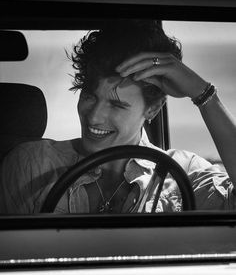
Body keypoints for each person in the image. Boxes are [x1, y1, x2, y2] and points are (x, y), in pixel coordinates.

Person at [1, 19, 236, 214]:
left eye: (117, 105)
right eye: (90, 96)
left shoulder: (182, 173)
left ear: (152, 110)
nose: (94, 117)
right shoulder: (33, 163)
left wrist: (204, 95)